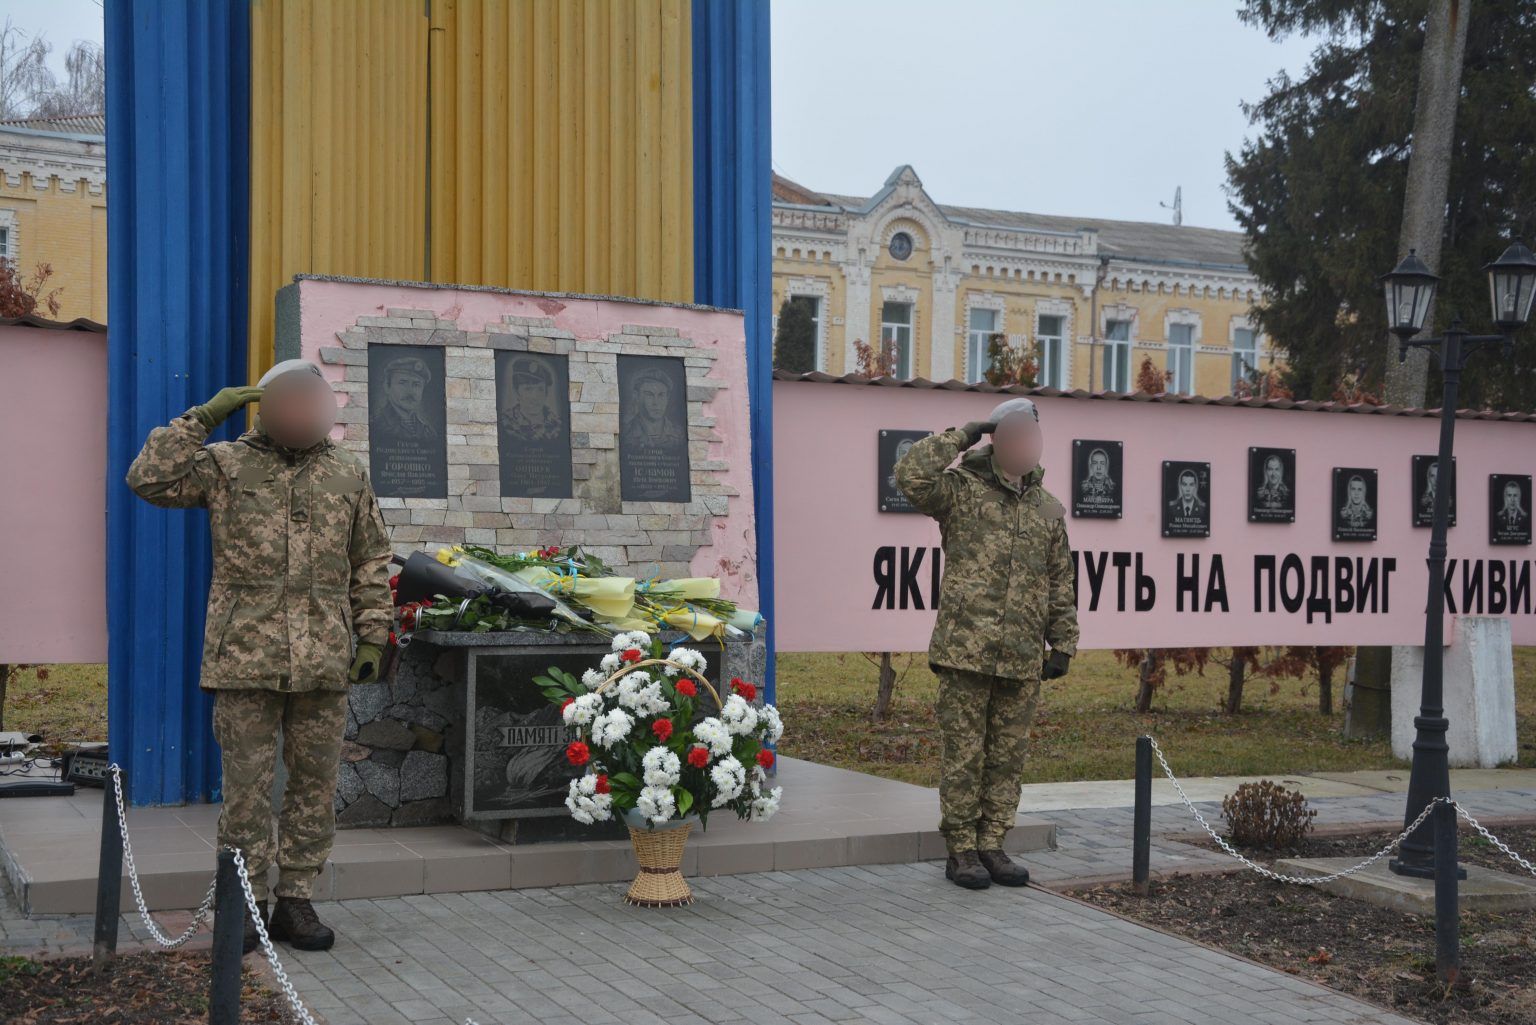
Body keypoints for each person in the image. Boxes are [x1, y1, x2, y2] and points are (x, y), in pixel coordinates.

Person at [126, 359, 393, 955]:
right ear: (266, 406)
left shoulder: (347, 473)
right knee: (245, 788)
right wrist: (201, 417)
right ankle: (245, 903)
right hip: (245, 654)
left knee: (314, 786)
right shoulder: (225, 465)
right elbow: (148, 479)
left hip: (324, 656)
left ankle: (296, 899)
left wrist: (373, 635)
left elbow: (371, 560)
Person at [894, 396, 1078, 890]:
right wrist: (961, 435)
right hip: (965, 651)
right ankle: (961, 851)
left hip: (1021, 657)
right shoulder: (961, 490)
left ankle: (993, 844)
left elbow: (1061, 579)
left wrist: (1062, 642)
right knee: (965, 755)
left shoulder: (1047, 508)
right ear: (997, 439)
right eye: (1013, 433)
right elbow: (909, 477)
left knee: (1007, 757)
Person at [374, 355, 438, 440]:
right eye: (402, 383)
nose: (410, 391)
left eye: (416, 385)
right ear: (387, 386)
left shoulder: (428, 433)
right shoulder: (376, 426)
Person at [499, 357, 563, 442]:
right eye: (528, 389)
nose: (535, 396)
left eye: (540, 389)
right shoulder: (505, 423)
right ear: (516, 392)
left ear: (546, 393)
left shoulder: (557, 425)